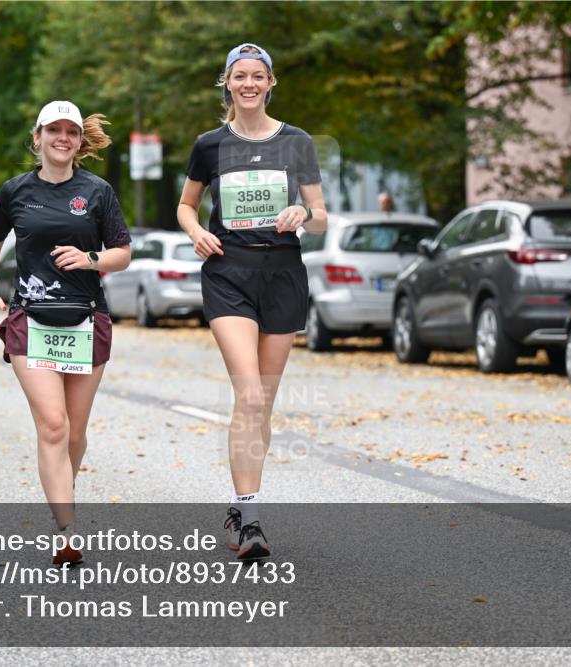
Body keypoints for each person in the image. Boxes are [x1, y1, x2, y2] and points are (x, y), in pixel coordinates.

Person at [176, 44, 327, 559]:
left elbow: (322, 215)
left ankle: (241, 505)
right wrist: (196, 231)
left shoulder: (297, 142)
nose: (248, 84)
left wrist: (303, 215)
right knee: (251, 394)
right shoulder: (210, 145)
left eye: (257, 76)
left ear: (270, 82)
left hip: (283, 273)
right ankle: (251, 520)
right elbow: (186, 205)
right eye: (239, 76)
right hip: (229, 272)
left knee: (263, 401)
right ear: (227, 82)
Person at [0, 100, 132, 566]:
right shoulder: (15, 191)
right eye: (53, 130)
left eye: (71, 131)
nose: (62, 138)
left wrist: (90, 259)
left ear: (79, 141)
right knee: (53, 424)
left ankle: (61, 501)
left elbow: (123, 252)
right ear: (38, 137)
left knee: (75, 432)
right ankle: (66, 529)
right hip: (30, 320)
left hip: (86, 318)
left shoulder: (98, 191)